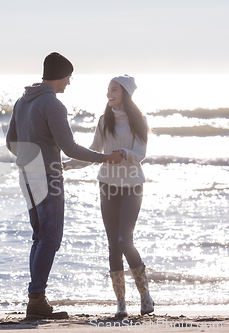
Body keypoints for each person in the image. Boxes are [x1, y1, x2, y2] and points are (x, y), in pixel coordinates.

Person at [5, 52, 123, 319]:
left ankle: (35, 299)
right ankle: (36, 301)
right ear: (60, 76)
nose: (69, 83)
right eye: (69, 77)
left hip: (27, 176)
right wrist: (106, 158)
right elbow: (69, 147)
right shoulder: (53, 105)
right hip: (48, 178)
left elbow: (11, 143)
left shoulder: (22, 102)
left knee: (39, 237)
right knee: (50, 238)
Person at [63, 75, 154, 317]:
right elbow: (93, 152)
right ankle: (121, 304)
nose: (108, 94)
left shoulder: (139, 121)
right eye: (107, 90)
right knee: (114, 246)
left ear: (125, 93)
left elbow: (141, 154)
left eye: (113, 90)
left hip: (132, 186)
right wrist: (69, 164)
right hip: (107, 186)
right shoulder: (104, 121)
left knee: (125, 241)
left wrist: (123, 153)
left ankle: (145, 295)